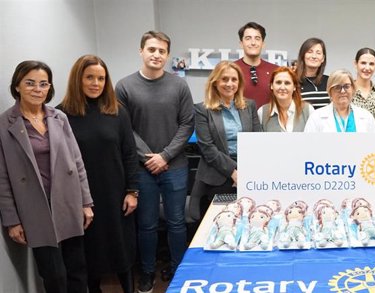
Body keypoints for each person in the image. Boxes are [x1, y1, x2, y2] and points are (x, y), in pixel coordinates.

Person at [0, 60, 93, 293]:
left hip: (67, 201)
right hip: (35, 207)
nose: (37, 89)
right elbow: (2, 177)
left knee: (77, 270)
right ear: (17, 86)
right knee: (54, 275)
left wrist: (86, 202)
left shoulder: (58, 118)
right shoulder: (5, 123)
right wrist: (12, 220)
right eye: (30, 83)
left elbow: (77, 161)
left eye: (43, 84)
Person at [115, 31, 194, 292]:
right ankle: (147, 272)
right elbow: (124, 129)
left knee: (176, 222)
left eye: (161, 51)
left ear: (168, 54)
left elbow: (186, 124)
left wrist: (165, 156)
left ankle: (178, 268)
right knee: (146, 224)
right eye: (151, 49)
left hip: (175, 166)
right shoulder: (124, 86)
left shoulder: (179, 86)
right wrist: (150, 157)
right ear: (141, 51)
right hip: (142, 170)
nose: (156, 55)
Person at [58, 55, 139, 293]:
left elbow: (130, 154)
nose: (96, 83)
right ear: (78, 79)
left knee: (121, 251)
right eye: (90, 77)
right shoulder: (61, 115)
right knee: (88, 254)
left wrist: (132, 191)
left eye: (101, 78)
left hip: (116, 195)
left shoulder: (117, 112)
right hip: (81, 198)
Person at [192, 61, 262, 220]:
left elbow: (257, 140)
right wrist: (234, 171)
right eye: (224, 79)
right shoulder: (202, 109)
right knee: (221, 222)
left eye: (234, 79)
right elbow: (207, 147)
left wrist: (245, 172)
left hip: (249, 172)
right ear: (215, 82)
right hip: (217, 174)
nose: (229, 84)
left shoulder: (249, 106)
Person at [304, 69, 375, 132]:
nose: (342, 91)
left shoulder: (366, 116)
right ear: (330, 91)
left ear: (353, 89)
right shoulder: (316, 117)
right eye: (337, 87)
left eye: (346, 86)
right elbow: (309, 146)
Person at [233, 22, 279, 108]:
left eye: (257, 38)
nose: (253, 43)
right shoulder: (231, 69)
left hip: (268, 120)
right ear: (241, 43)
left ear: (263, 43)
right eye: (248, 38)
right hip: (239, 120)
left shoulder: (276, 71)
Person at [257, 66, 314, 132]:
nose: (282, 87)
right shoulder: (262, 112)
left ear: (294, 87)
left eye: (287, 83)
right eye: (278, 82)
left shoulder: (308, 110)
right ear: (272, 86)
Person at [351, 48, 375, 126]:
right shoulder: (346, 91)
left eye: (371, 64)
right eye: (363, 63)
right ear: (355, 64)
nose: (367, 68)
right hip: (350, 137)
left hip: (374, 137)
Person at [296, 37, 329, 109]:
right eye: (310, 52)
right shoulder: (293, 81)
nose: (314, 56)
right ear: (303, 55)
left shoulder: (330, 81)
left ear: (323, 58)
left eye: (318, 53)